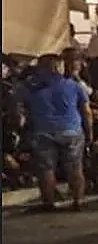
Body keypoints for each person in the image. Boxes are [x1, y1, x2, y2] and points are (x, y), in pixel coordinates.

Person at [15, 54, 93, 211]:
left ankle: (48, 203)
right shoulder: (73, 85)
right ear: (59, 67)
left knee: (46, 169)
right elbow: (86, 111)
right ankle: (78, 201)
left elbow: (18, 111)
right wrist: (89, 132)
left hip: (42, 131)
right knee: (75, 167)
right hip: (71, 130)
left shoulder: (28, 88)